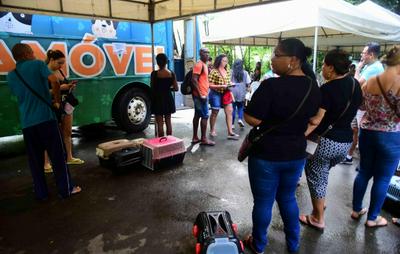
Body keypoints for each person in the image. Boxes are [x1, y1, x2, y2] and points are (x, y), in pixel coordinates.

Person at [243, 38, 321, 253]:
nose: (272, 59)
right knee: (287, 198)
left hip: (266, 154)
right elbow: (313, 117)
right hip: (296, 153)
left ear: (293, 60)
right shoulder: (312, 87)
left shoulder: (271, 85)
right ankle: (293, 245)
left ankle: (258, 245)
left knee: (263, 202)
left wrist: (270, 121)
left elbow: (250, 117)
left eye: (277, 55)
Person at [6, 43, 81, 200]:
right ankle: (66, 190)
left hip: (27, 124)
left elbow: (19, 95)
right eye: (32, 52)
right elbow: (54, 80)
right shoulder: (38, 64)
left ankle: (41, 194)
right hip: (46, 119)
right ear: (26, 54)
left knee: (35, 162)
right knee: (58, 157)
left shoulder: (11, 75)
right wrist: (56, 102)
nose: (34, 54)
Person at [299, 49, 363, 231]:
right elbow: (358, 106)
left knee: (316, 177)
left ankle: (317, 218)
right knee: (322, 173)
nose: (322, 68)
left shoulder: (327, 89)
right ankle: (320, 202)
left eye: (324, 65)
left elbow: (316, 120)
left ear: (331, 68)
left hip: (325, 141)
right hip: (345, 143)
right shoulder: (354, 84)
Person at [351, 45, 400, 228]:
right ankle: (373, 218)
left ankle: (356, 210)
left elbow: (361, 107)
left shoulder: (370, 81)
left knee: (364, 171)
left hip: (368, 133)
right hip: (391, 136)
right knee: (383, 178)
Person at [342, 42, 384, 165]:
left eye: (364, 53)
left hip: (366, 107)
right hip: (361, 105)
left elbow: (357, 83)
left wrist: (358, 68)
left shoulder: (375, 68)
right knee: (355, 130)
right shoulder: (370, 66)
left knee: (363, 134)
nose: (362, 55)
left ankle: (365, 162)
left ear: (371, 54)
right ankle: (350, 157)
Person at [44, 50, 84, 173]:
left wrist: (69, 87)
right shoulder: (44, 72)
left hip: (66, 104)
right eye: (59, 63)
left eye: (62, 63)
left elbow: (63, 87)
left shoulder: (59, 71)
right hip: (52, 106)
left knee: (67, 132)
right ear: (51, 60)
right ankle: (46, 163)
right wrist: (60, 88)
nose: (61, 66)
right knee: (48, 135)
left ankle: (69, 157)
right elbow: (43, 91)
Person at [208, 54, 238, 140]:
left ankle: (230, 132)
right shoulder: (214, 71)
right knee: (215, 112)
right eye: (224, 61)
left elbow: (228, 82)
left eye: (226, 61)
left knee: (229, 111)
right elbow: (210, 85)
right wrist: (222, 86)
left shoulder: (227, 70)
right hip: (215, 93)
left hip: (226, 93)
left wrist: (231, 85)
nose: (226, 62)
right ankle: (212, 130)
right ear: (219, 61)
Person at [150, 53, 178, 137]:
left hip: (158, 99)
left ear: (157, 62)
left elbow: (152, 87)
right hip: (168, 98)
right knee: (168, 122)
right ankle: (169, 141)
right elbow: (176, 88)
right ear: (166, 62)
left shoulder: (154, 74)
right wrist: (168, 89)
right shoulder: (172, 73)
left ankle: (161, 142)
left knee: (160, 124)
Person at [191, 48, 214, 146]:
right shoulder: (199, 64)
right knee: (205, 116)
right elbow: (194, 80)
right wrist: (201, 94)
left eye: (208, 53)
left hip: (202, 94)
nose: (207, 55)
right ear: (201, 54)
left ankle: (195, 137)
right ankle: (203, 138)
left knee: (197, 115)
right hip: (200, 96)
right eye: (205, 53)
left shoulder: (204, 64)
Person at [230, 59, 251, 129]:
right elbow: (248, 83)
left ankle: (232, 124)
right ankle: (240, 119)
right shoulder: (245, 73)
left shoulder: (231, 72)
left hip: (233, 91)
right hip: (242, 91)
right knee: (241, 107)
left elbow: (228, 81)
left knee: (233, 108)